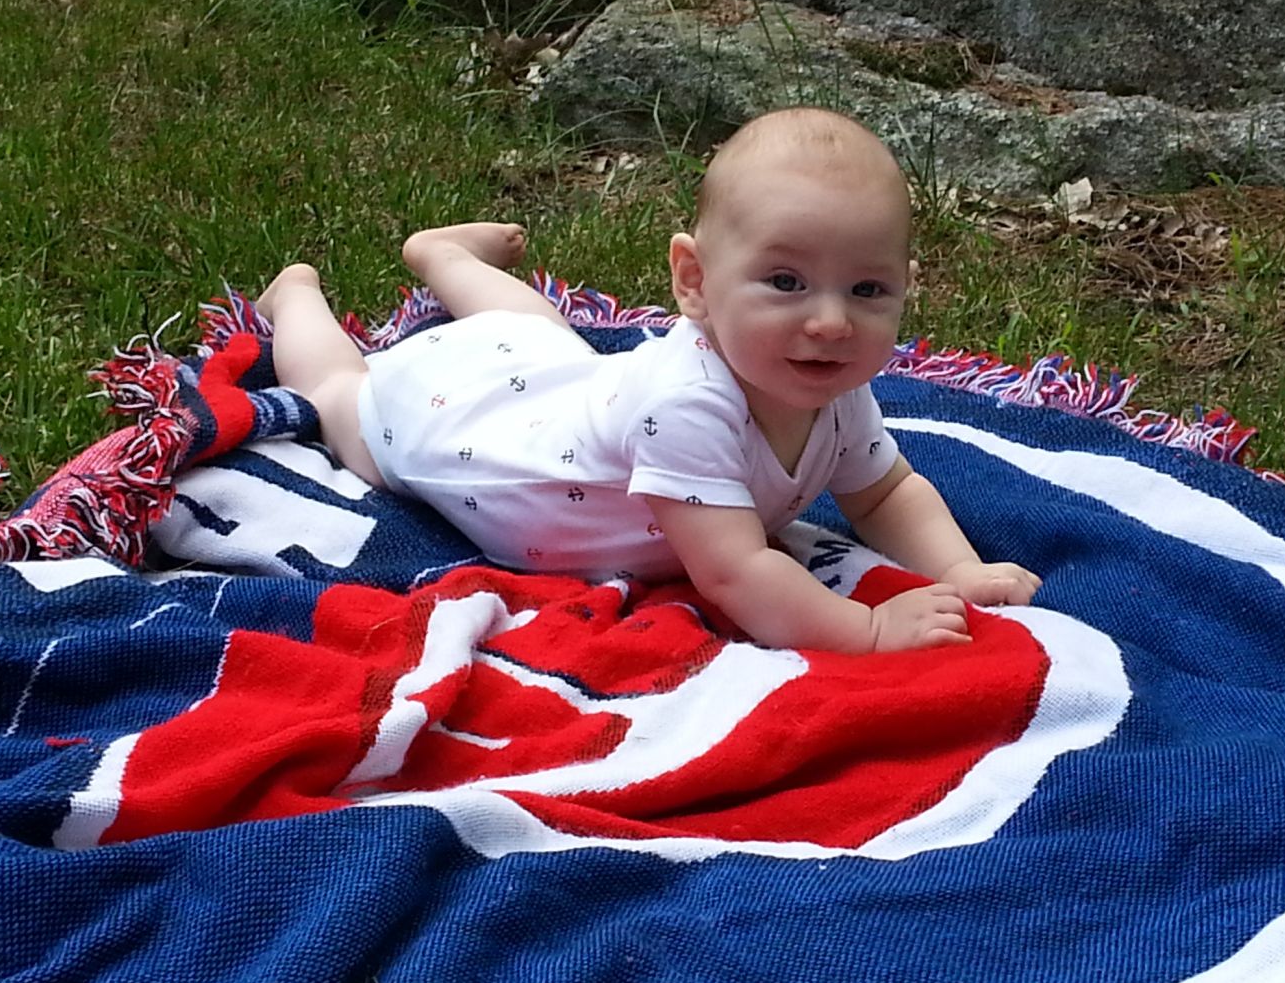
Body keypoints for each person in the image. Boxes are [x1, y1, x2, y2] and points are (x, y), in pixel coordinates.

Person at [256, 107, 1040, 653]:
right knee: (343, 400)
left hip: (553, 385)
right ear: (694, 281)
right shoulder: (689, 406)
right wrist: (866, 631)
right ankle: (295, 296)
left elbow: (886, 494)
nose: (832, 321)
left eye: (867, 290)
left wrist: (958, 570)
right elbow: (737, 571)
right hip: (463, 438)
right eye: (786, 282)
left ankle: (443, 256)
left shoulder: (831, 385)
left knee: (538, 337)